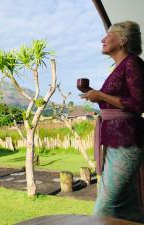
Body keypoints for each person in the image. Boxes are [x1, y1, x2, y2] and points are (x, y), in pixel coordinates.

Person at [81, 21, 144, 222]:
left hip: (127, 141)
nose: (103, 39)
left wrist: (101, 96)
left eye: (108, 35)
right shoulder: (119, 67)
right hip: (114, 141)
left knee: (104, 208)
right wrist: (97, 95)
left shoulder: (133, 63)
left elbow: (139, 104)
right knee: (128, 207)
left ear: (123, 39)